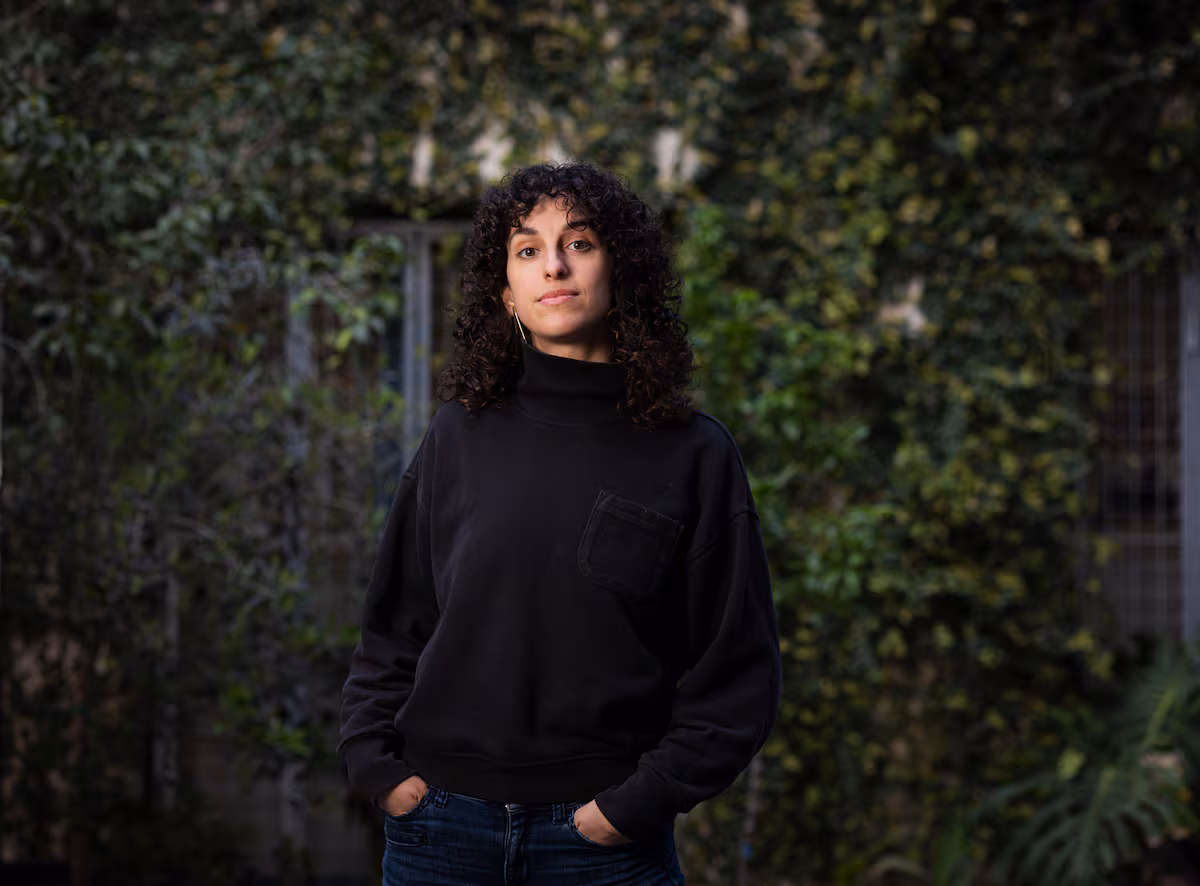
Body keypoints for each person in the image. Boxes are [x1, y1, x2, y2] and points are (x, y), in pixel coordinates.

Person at [338, 161, 781, 886]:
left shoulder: (694, 453)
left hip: (603, 846)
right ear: (505, 291)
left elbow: (738, 670)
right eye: (527, 249)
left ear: (621, 269)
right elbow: (393, 627)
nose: (553, 265)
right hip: (440, 831)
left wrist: (635, 805)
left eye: (579, 242)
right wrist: (379, 769)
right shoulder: (458, 434)